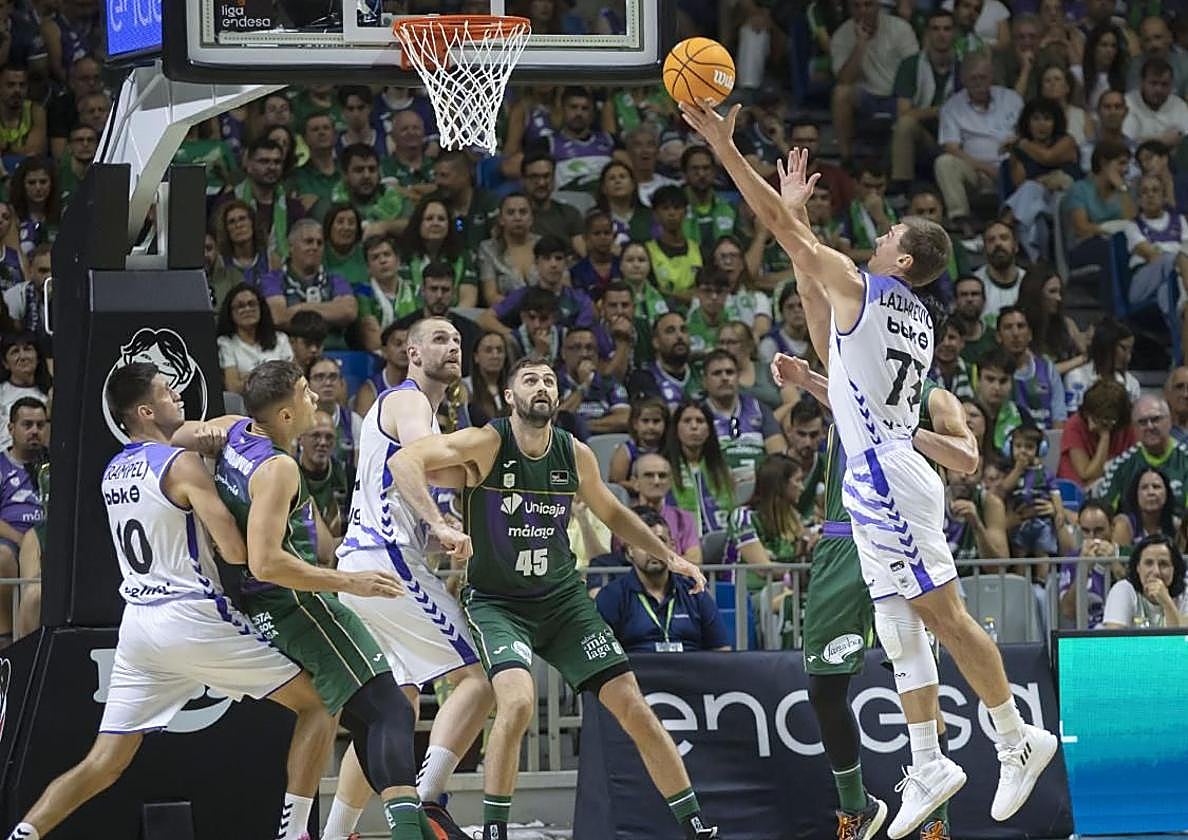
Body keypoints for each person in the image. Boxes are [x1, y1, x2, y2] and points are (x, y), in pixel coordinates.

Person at [679, 99, 1058, 837]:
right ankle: (926, 763)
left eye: (886, 237)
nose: (876, 239)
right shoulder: (905, 315)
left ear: (903, 260)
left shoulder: (872, 289)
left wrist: (727, 148)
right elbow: (823, 323)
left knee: (943, 617)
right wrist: (799, 245)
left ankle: (1016, 737)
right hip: (877, 473)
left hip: (886, 475)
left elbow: (787, 234)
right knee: (896, 622)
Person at [1, 363, 340, 840]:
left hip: (139, 626)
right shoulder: (180, 465)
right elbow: (237, 552)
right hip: (191, 615)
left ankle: (24, 833)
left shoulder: (114, 469)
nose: (176, 395)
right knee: (321, 703)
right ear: (145, 410)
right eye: (166, 391)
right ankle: (295, 834)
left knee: (103, 762)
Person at [388, 356, 720, 840]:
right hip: (499, 603)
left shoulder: (575, 453)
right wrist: (438, 523)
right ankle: (496, 831)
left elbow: (613, 512)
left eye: (549, 380)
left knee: (634, 707)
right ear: (509, 395)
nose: (542, 386)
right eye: (530, 380)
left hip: (563, 603)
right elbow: (404, 459)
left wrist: (671, 557)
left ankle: (695, 828)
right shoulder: (488, 441)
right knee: (518, 702)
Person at [189, 361, 438, 840]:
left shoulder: (231, 430)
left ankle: (343, 829)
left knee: (365, 715)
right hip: (295, 604)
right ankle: (405, 831)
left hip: (261, 607)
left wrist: (197, 446)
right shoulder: (278, 469)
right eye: (305, 393)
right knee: (392, 708)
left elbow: (180, 433)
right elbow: (265, 562)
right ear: (284, 415)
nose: (316, 401)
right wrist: (350, 583)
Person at [777, 352, 981, 840]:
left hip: (901, 539)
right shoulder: (846, 382)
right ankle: (856, 808)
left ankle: (936, 823)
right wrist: (806, 380)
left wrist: (909, 433)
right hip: (841, 544)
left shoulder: (932, 395)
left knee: (921, 688)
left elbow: (968, 458)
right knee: (824, 685)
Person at [326, 319, 495, 840]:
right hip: (387, 559)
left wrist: (461, 478)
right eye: (440, 339)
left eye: (457, 341)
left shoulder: (422, 410)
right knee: (480, 677)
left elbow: (431, 468)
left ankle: (336, 834)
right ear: (412, 352)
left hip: (361, 565)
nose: (452, 347)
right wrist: (449, 513)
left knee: (391, 712)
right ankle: (425, 802)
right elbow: (415, 463)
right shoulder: (407, 401)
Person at [596, 508, 730, 653]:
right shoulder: (612, 596)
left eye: (660, 542)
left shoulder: (695, 592)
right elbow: (604, 656)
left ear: (672, 546)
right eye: (643, 543)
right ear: (630, 550)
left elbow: (722, 650)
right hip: (638, 672)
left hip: (690, 672)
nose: (653, 551)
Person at [701, 348, 782, 483]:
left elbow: (778, 454)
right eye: (717, 373)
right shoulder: (698, 414)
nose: (725, 378)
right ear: (704, 381)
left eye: (730, 372)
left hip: (760, 486)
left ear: (738, 377)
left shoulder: (759, 408)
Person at [1099, 395, 1188, 512]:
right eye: (1142, 422)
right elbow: (1104, 516)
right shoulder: (1120, 466)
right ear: (1134, 428)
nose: (1149, 426)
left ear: (1170, 421)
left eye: (1155, 419)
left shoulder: (1185, 459)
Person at [0, 397, 43, 636]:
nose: (35, 431)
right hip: (11, 538)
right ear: (11, 428)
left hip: (47, 538)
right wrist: (20, 537)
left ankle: (31, 637)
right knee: (2, 555)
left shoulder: (55, 462)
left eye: (40, 424)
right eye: (27, 425)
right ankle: (5, 637)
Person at [216, 283, 293, 395]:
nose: (247, 309)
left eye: (252, 304)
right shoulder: (225, 343)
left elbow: (293, 380)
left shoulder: (281, 339)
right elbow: (233, 387)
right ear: (230, 312)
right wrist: (275, 376)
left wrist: (248, 377)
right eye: (240, 306)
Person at [1057, 378, 1135, 487]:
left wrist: (1104, 431)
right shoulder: (1074, 425)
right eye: (1091, 417)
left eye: (1100, 421)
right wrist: (1105, 437)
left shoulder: (1129, 427)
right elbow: (1087, 474)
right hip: (1079, 491)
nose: (1091, 426)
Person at [1102, 534, 1186, 628]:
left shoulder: (1185, 593)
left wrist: (1166, 602)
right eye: (1149, 563)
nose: (1156, 571)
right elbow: (1114, 639)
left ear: (1174, 569)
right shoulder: (1123, 589)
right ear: (1138, 567)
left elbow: (1183, 639)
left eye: (1163, 564)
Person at [297, 409, 349, 538]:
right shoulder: (287, 473)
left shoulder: (346, 474)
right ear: (300, 439)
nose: (323, 442)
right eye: (316, 436)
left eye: (329, 437)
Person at [1112, 467, 1179, 546]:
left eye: (1156, 487)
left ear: (1167, 493)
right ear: (1135, 494)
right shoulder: (1124, 524)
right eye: (1144, 487)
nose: (1151, 492)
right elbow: (1119, 557)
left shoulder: (1177, 525)